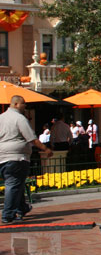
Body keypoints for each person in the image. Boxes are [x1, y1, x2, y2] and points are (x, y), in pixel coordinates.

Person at [0, 95, 53, 223]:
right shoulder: (20, 119)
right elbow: (32, 138)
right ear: (16, 104)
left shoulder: (1, 118)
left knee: (17, 183)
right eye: (24, 104)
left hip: (2, 157)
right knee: (13, 184)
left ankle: (21, 208)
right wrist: (45, 149)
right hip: (17, 157)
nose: (25, 106)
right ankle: (7, 215)